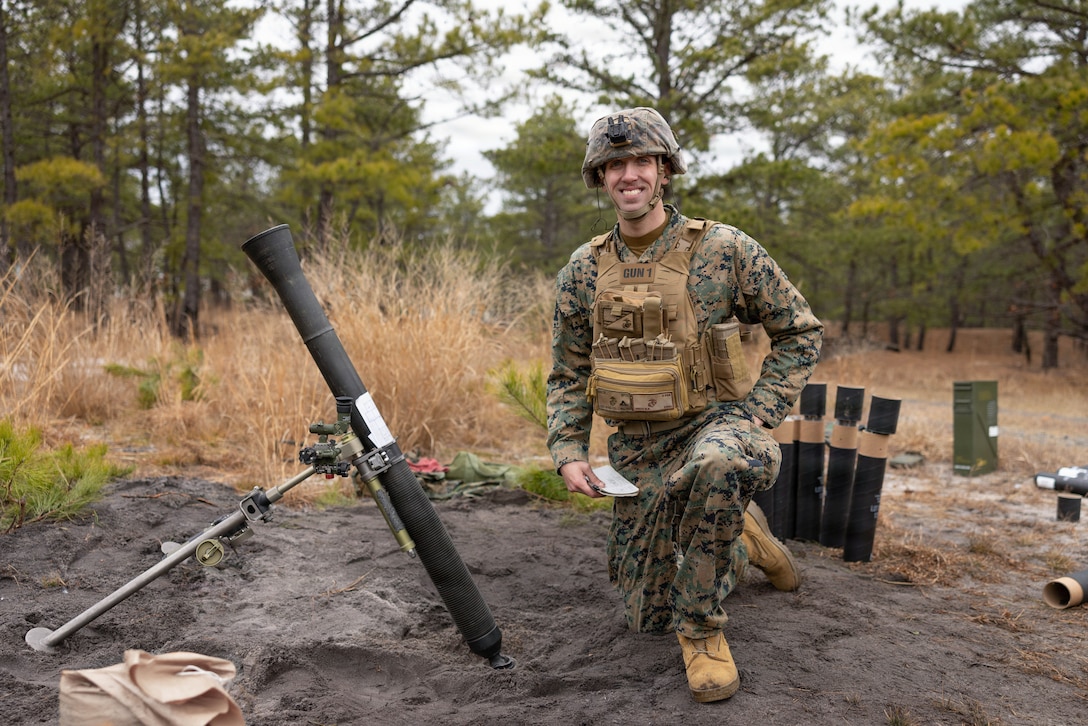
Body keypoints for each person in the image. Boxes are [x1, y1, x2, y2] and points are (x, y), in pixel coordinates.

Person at [546, 107, 823, 703]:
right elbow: (569, 370)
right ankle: (744, 530)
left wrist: (759, 410)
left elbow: (800, 331)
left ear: (664, 171)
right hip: (636, 447)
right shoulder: (583, 269)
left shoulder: (722, 249)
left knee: (719, 466)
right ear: (600, 178)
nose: (629, 175)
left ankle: (702, 634)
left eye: (641, 161)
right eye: (614, 165)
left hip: (714, 426)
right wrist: (568, 450)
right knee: (645, 617)